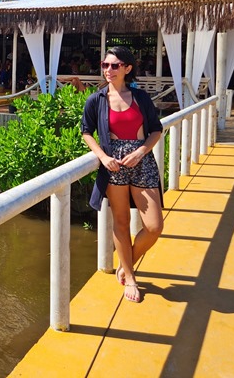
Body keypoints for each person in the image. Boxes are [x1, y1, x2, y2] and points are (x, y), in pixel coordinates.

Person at [81, 46, 164, 303]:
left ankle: (127, 260)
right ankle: (129, 275)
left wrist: (141, 151)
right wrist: (103, 157)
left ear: (127, 68)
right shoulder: (97, 99)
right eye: (105, 65)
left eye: (114, 65)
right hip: (114, 165)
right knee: (120, 222)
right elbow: (86, 132)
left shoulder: (140, 97)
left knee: (154, 226)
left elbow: (156, 130)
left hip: (141, 162)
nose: (108, 70)